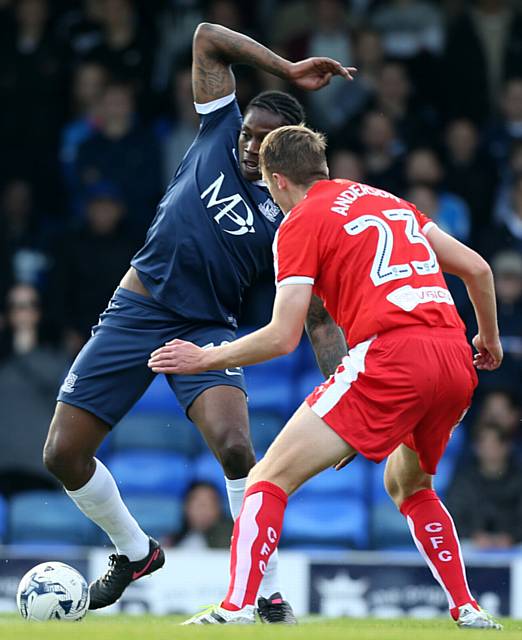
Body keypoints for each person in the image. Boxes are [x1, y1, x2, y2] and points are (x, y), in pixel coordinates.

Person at [43, 22, 354, 620]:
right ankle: (134, 553)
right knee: (62, 455)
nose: (247, 145)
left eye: (262, 141)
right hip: (137, 307)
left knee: (238, 447)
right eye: (246, 132)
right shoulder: (216, 129)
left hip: (207, 325)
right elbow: (208, 36)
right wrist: (286, 69)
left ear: (282, 151)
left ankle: (268, 593)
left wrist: (343, 400)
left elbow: (318, 320)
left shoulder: (295, 216)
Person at [150, 124, 503, 629]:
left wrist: (204, 358)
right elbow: (479, 270)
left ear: (277, 180)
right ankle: (467, 609)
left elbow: (281, 336)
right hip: (451, 358)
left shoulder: (300, 222)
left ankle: (236, 608)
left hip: (392, 352)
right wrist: (487, 341)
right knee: (409, 485)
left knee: (266, 478)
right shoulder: (391, 202)